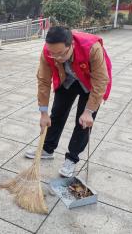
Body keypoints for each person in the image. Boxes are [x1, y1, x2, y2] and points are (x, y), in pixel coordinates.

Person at [25, 26, 112, 177]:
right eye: (53, 54)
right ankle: (47, 148)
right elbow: (43, 81)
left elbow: (100, 81)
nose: (56, 58)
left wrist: (89, 111)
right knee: (56, 114)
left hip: (90, 83)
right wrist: (43, 112)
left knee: (83, 122)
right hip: (68, 80)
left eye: (60, 54)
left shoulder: (92, 48)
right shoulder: (48, 52)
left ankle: (72, 158)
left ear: (71, 44)